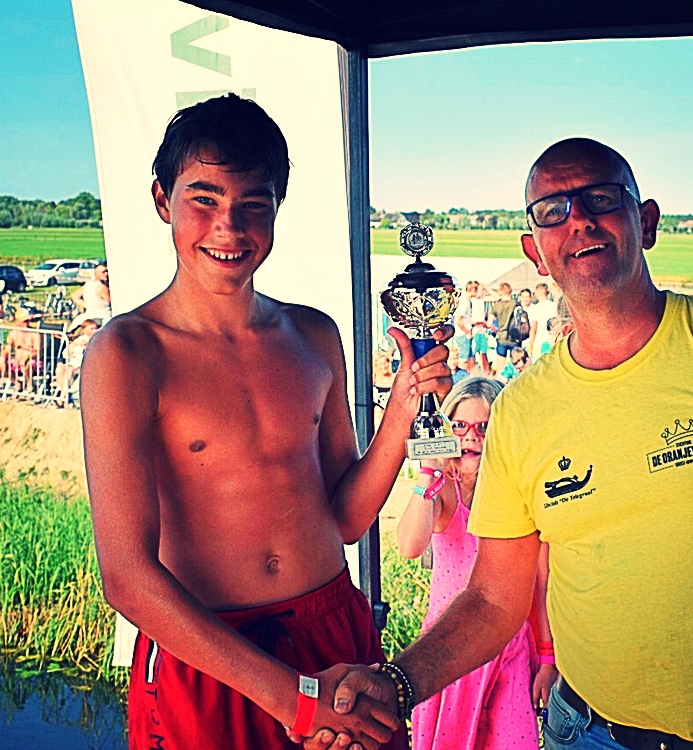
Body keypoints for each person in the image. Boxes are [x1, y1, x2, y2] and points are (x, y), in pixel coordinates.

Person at [323, 137, 693, 750]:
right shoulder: (520, 410)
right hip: (593, 734)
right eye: (553, 211)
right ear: (535, 253)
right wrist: (398, 681)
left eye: (601, 198)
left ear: (645, 222)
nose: (579, 220)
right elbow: (493, 599)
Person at [80, 94, 452, 750]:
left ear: (277, 208)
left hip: (334, 630)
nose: (229, 227)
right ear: (162, 200)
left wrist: (401, 410)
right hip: (211, 654)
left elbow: (345, 519)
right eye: (204, 199)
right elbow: (127, 577)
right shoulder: (128, 353)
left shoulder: (313, 335)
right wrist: (295, 700)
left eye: (254, 203)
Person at [397, 377, 555, 750]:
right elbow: (409, 545)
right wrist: (428, 473)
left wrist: (548, 659)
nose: (472, 436)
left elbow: (542, 582)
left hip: (508, 647)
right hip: (449, 650)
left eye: (484, 427)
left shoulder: (520, 496)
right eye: (460, 426)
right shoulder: (443, 492)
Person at [528, 282, 557, 358]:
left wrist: (530, 346)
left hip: (539, 342)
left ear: (537, 293)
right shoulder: (554, 306)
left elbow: (533, 329)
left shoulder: (536, 308)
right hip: (552, 341)